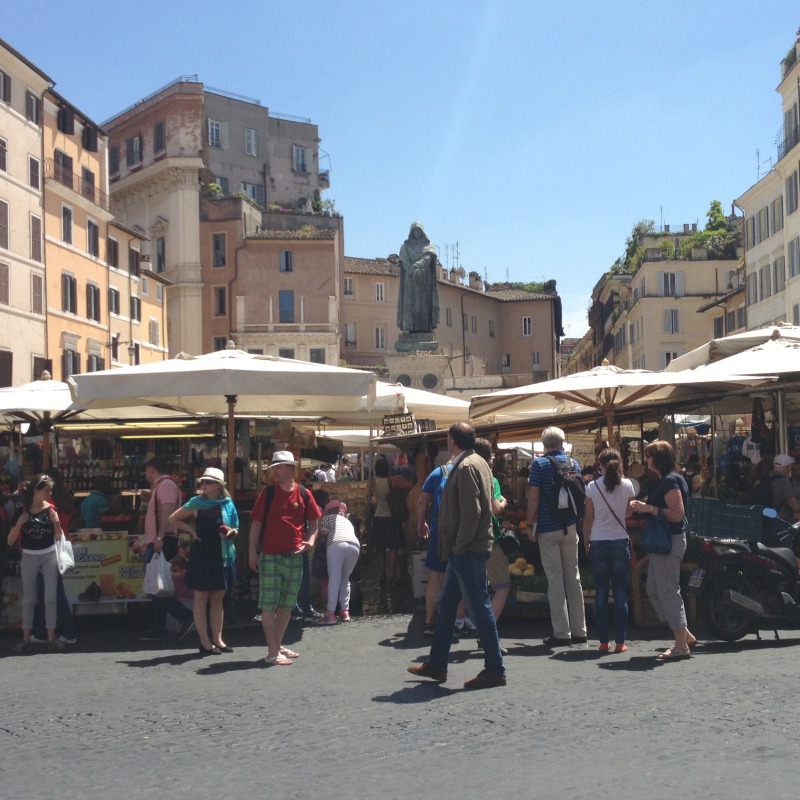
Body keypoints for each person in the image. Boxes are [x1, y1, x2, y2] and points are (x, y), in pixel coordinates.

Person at [407, 422, 506, 690]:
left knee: (479, 607)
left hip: (466, 549)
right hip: (465, 548)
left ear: (452, 441)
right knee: (448, 603)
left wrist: (459, 544)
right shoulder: (478, 462)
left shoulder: (464, 467)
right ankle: (437, 663)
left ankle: (495, 668)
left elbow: (472, 512)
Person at [249, 450, 322, 665]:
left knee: (286, 605)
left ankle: (277, 645)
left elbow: (314, 521)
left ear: (291, 468)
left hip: (294, 556)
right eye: (274, 468)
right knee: (269, 605)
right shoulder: (267, 493)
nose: (274, 471)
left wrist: (310, 540)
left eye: (278, 467)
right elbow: (256, 523)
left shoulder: (304, 493)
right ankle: (273, 652)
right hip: (270, 555)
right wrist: (252, 551)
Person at [630, 440, 698, 661]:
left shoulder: (670, 481)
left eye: (649, 456)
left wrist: (648, 508)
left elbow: (677, 513)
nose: (646, 460)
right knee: (654, 588)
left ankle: (680, 645)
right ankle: (684, 634)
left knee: (668, 591)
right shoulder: (668, 479)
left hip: (670, 541)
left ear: (656, 459)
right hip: (665, 542)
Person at [526, 426, 587, 646]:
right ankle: (580, 630)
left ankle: (562, 633)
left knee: (555, 579)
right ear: (562, 443)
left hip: (548, 528)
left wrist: (529, 523)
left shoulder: (539, 465)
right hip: (570, 527)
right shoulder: (574, 464)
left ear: (544, 443)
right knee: (574, 577)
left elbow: (534, 498)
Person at [169, 467, 239, 655]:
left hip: (222, 554)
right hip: (203, 554)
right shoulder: (196, 503)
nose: (204, 485)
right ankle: (204, 641)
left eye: (208, 482)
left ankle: (218, 638)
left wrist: (231, 532)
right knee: (201, 599)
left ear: (218, 485)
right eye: (203, 482)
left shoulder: (228, 504)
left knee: (218, 597)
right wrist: (191, 531)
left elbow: (236, 527)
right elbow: (173, 518)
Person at [582, 448, 635, 653]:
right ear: (620, 464)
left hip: (598, 540)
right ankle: (620, 642)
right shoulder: (628, 484)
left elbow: (588, 519)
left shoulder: (592, 487)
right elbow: (629, 512)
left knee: (601, 590)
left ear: (600, 465)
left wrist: (586, 541)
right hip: (619, 540)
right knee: (620, 591)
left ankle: (604, 642)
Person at [7, 474, 65, 653]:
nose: (50, 492)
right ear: (36, 491)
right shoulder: (22, 512)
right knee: (29, 598)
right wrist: (19, 525)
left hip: (48, 554)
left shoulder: (51, 510)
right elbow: (10, 540)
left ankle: (51, 637)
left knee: (49, 597)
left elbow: (59, 537)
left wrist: (56, 523)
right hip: (29, 555)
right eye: (47, 489)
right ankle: (26, 638)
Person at [141, 457, 194, 642]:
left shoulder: (165, 485)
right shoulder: (163, 487)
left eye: (146, 471)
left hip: (161, 541)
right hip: (160, 540)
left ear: (151, 470)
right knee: (157, 585)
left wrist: (159, 537)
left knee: (156, 586)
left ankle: (184, 615)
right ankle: (159, 628)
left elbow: (168, 510)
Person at [473, 438, 511, 649]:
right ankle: (487, 633)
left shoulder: (461, 475)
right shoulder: (490, 479)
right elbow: (495, 508)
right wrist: (504, 502)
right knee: (502, 586)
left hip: (468, 539)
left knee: (476, 588)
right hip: (489, 538)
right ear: (488, 458)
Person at [372, 455, 413, 585]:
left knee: (380, 548)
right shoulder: (394, 480)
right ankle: (392, 575)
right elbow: (410, 486)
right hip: (392, 516)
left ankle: (381, 574)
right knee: (393, 548)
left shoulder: (373, 481)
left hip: (378, 516)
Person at [318, 500, 361, 625]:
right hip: (354, 546)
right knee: (345, 578)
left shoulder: (326, 519)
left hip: (336, 545)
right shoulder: (348, 521)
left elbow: (323, 532)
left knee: (334, 578)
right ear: (341, 511)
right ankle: (345, 611)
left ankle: (330, 613)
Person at [396, 221, 440, 334]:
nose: (416, 232)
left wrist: (416, 266)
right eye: (414, 231)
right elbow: (403, 260)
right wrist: (410, 269)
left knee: (423, 304)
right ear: (411, 232)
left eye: (418, 230)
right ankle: (410, 327)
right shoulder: (405, 247)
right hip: (410, 279)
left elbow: (427, 258)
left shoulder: (429, 246)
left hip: (424, 279)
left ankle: (424, 328)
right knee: (409, 303)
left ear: (422, 232)